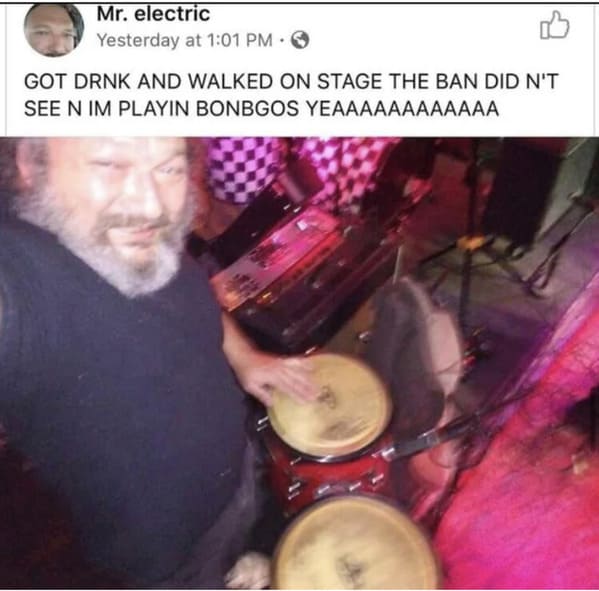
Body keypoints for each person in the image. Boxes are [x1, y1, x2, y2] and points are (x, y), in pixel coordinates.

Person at [0, 137, 317, 587]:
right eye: (110, 164)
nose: (152, 207)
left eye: (168, 168)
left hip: (240, 468)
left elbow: (180, 273)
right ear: (30, 164)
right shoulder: (21, 275)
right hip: (176, 552)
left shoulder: (125, 229)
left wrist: (245, 357)